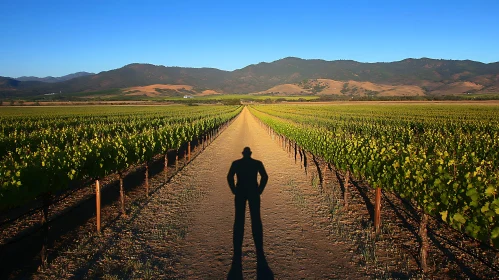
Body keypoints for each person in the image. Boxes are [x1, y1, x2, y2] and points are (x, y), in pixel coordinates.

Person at [227, 147, 272, 279]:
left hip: (240, 192)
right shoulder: (257, 163)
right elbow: (265, 176)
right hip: (253, 192)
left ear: (243, 154)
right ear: (250, 154)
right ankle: (259, 246)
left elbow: (229, 177)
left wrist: (234, 190)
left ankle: (237, 248)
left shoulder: (236, 163)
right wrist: (260, 190)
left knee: (239, 220)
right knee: (256, 219)